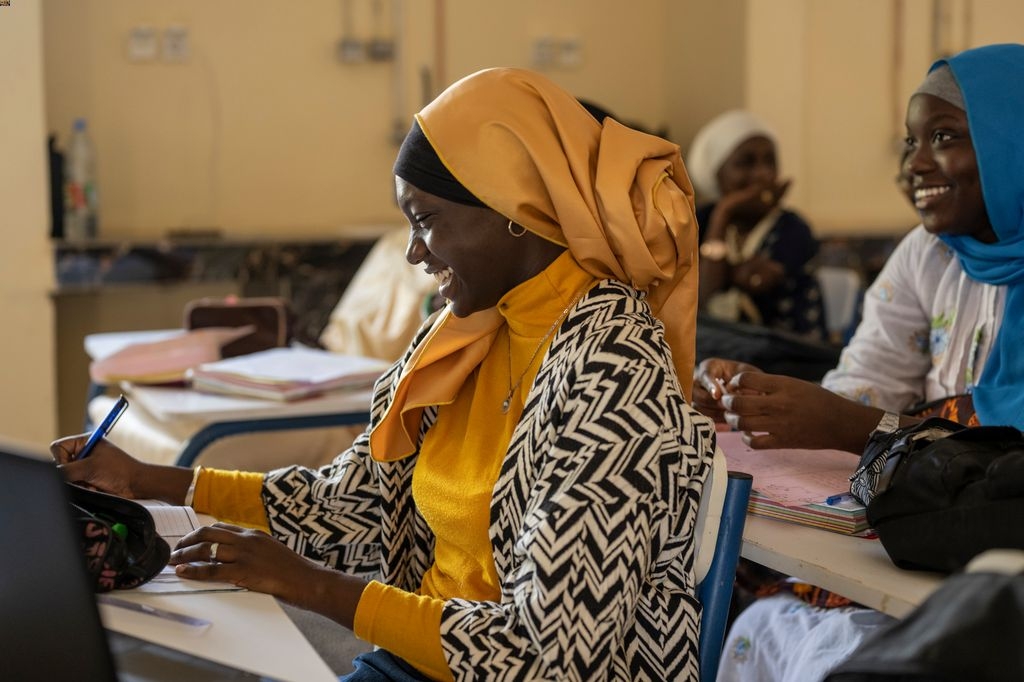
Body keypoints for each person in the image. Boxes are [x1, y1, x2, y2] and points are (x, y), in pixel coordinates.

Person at [53, 67, 716, 681]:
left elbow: (549, 654)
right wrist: (148, 481)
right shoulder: (468, 331)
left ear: (515, 210)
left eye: (426, 221)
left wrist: (314, 587)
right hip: (424, 661)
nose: (413, 252)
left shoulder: (613, 364)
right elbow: (359, 500)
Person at [695, 43, 1024, 682]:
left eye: (945, 136)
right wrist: (768, 401)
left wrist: (853, 426)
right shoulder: (930, 254)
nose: (916, 163)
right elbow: (863, 381)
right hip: (929, 519)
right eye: (911, 141)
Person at [687, 109, 827, 342]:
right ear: (717, 173)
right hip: (716, 353)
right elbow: (701, 300)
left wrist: (724, 272)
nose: (762, 174)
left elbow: (758, 282)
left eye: (769, 161)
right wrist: (724, 213)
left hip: (788, 360)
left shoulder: (793, 228)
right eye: (746, 163)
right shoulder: (700, 220)